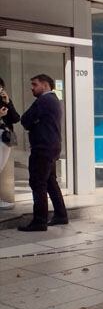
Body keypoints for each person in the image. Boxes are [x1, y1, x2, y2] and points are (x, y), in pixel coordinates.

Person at [18, 74, 68, 231]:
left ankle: (39, 221)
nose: (31, 87)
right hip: (50, 147)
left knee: (38, 183)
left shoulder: (44, 100)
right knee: (50, 182)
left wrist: (32, 122)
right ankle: (61, 215)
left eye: (34, 84)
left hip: (43, 148)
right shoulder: (53, 100)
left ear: (45, 85)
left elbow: (25, 119)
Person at [0, 77, 21, 210]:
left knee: (0, 168)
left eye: (1, 87)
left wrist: (8, 102)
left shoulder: (3, 101)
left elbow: (15, 118)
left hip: (5, 139)